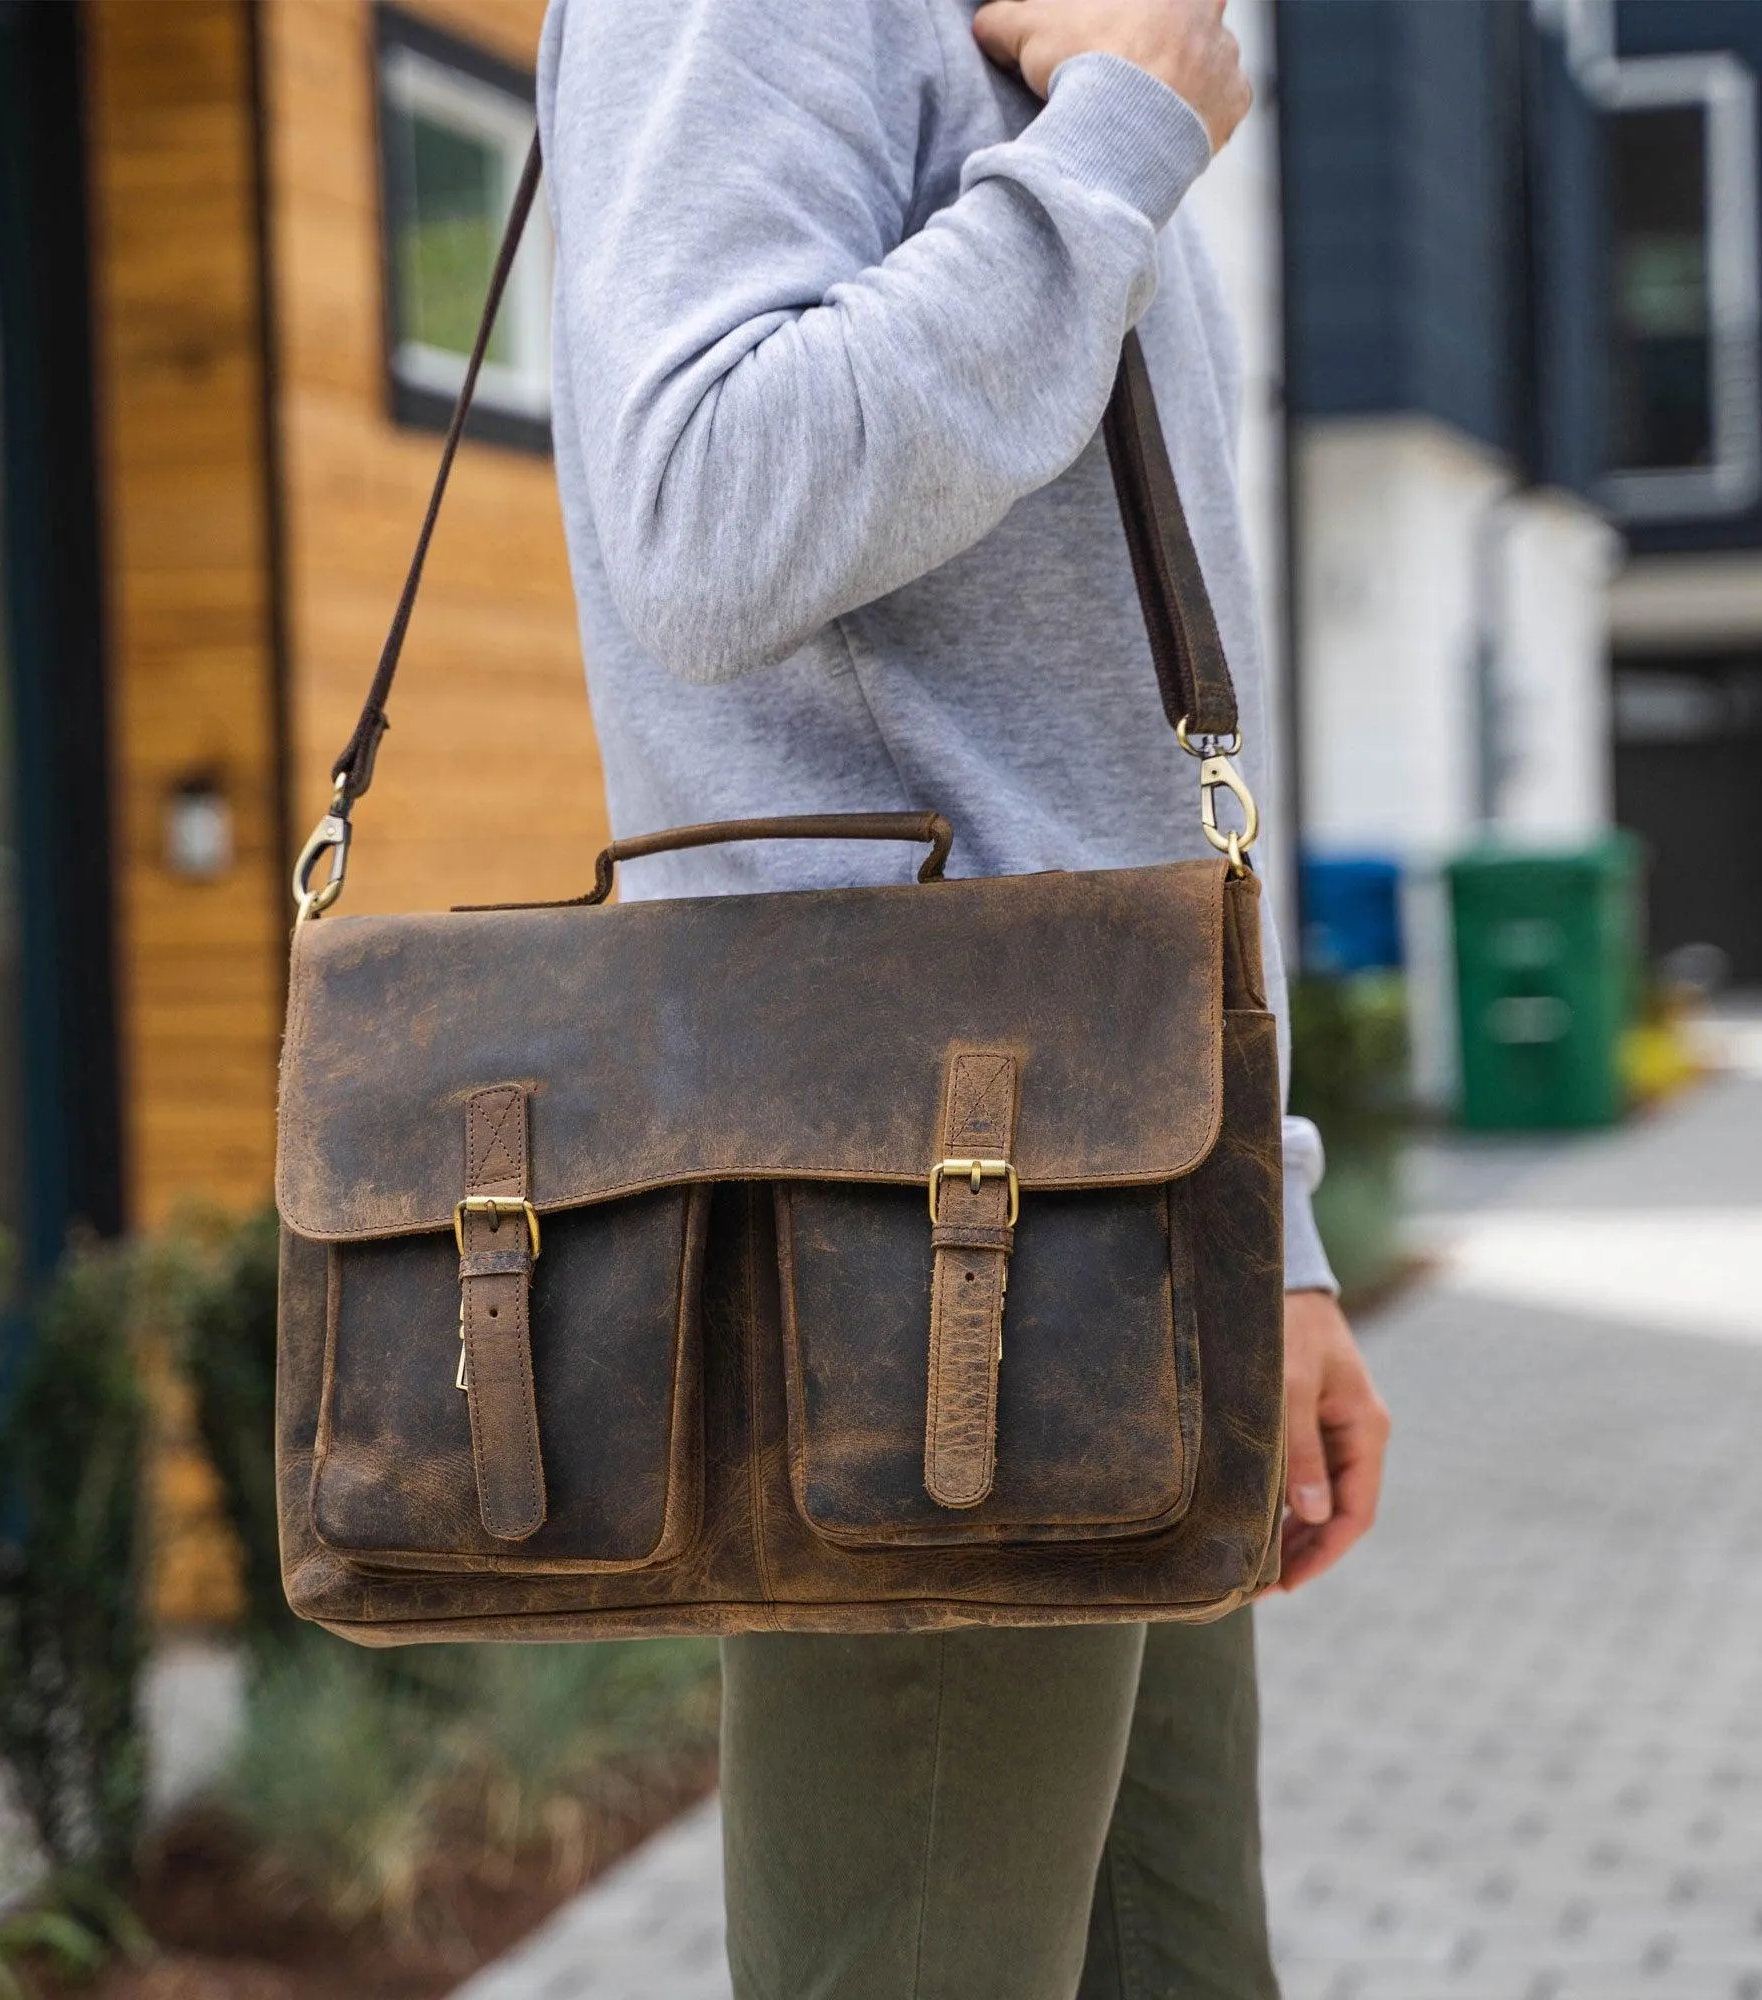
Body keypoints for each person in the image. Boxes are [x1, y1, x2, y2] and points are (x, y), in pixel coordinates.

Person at [535, 1, 1391, 1992]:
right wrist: (1115, 143)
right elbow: (699, 512)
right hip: (916, 1236)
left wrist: (1262, 1210)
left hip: (1121, 1188)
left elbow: (1118, 703)